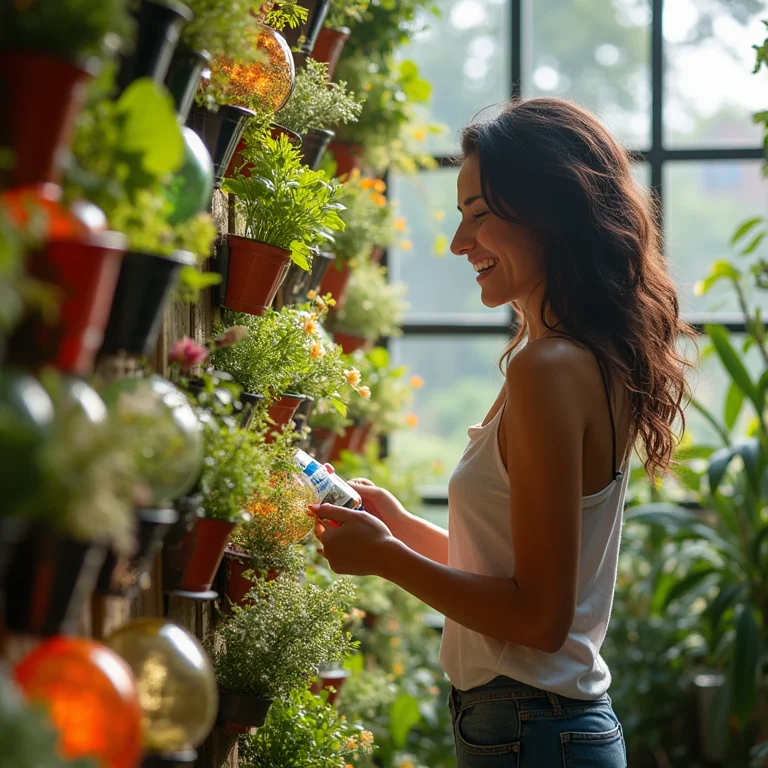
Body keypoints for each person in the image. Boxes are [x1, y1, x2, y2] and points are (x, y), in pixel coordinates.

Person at [309, 97, 692, 767]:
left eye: (480, 216)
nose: (460, 244)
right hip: (537, 726)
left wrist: (387, 560)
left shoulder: (548, 367)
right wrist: (397, 526)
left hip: (533, 730)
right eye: (461, 217)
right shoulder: (567, 355)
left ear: (553, 213)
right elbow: (514, 574)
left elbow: (539, 621)